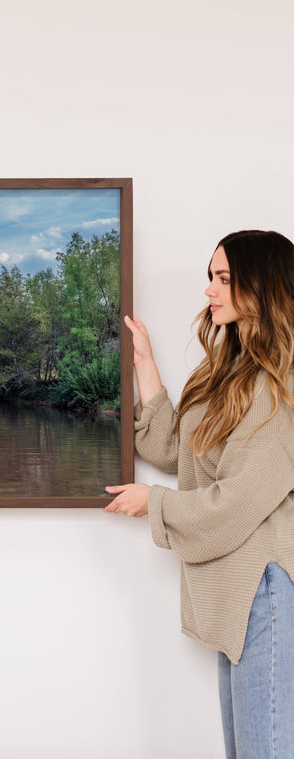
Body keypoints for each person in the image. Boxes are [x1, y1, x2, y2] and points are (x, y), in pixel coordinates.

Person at [104, 230, 294, 758]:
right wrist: (144, 362)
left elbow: (238, 501)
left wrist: (153, 504)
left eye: (225, 279)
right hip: (238, 595)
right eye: (210, 277)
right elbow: (176, 450)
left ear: (263, 287)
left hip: (267, 593)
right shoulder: (228, 370)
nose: (210, 290)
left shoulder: (283, 384)